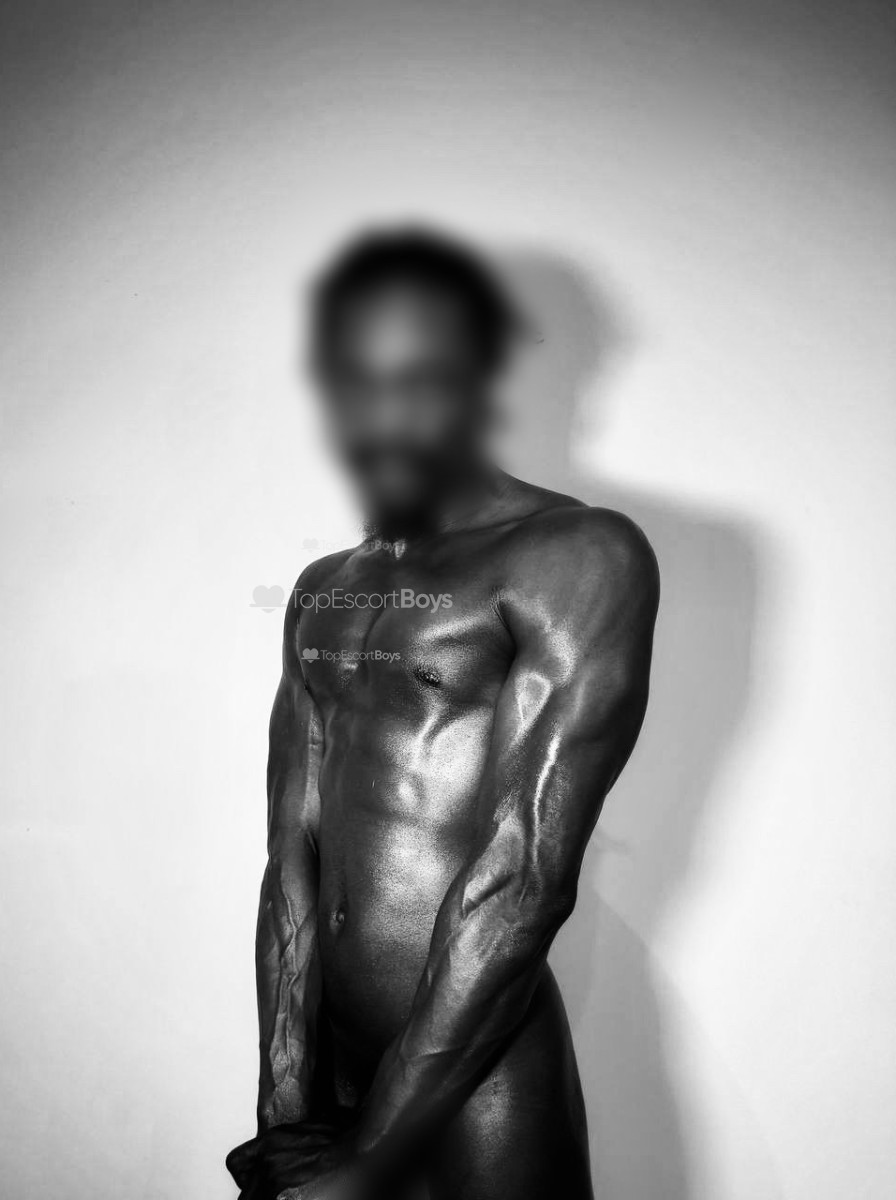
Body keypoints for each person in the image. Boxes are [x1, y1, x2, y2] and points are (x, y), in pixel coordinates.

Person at [227, 228, 659, 1199]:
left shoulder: (574, 556)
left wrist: (373, 1157)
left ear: (475, 374)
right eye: (356, 381)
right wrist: (284, 1104)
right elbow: (292, 853)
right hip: (335, 1064)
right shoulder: (323, 588)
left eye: (416, 378)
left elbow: (524, 876)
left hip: (477, 1075)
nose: (384, 414)